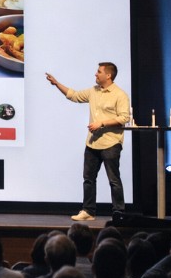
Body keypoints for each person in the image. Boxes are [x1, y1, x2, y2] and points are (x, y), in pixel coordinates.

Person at [46, 62, 130, 221]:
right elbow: (74, 95)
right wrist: (56, 83)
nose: (95, 74)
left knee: (114, 180)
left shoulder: (120, 95)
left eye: (99, 72)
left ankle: (119, 213)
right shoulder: (93, 91)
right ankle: (88, 211)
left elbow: (124, 117)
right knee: (88, 179)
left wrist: (102, 123)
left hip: (111, 143)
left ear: (108, 75)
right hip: (92, 143)